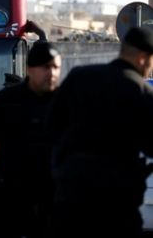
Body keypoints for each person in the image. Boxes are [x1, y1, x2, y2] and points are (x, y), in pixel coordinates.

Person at [49, 26, 153, 238]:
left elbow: (51, 125)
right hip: (116, 204)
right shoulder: (141, 92)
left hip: (70, 195)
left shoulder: (79, 77)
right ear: (143, 58)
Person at [0, 42, 62, 238]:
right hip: (12, 195)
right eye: (45, 67)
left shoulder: (68, 102)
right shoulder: (6, 101)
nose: (51, 73)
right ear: (29, 69)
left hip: (54, 196)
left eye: (55, 67)